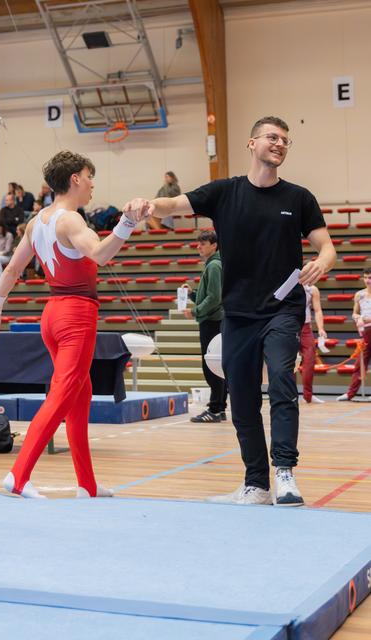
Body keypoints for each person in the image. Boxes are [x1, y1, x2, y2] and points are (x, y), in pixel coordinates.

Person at [123, 116, 336, 506]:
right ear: (251, 143)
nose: (280, 144)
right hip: (237, 314)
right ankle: (255, 482)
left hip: (282, 309)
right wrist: (148, 204)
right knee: (241, 398)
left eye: (286, 140)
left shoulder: (299, 198)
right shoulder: (224, 192)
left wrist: (324, 259)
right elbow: (175, 203)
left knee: (283, 385)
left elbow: (328, 246)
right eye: (272, 137)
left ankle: (285, 472)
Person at [0, 150, 148, 499]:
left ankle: (86, 484)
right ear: (75, 178)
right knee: (61, 396)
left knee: (79, 394)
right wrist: (127, 223)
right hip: (76, 315)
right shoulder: (71, 220)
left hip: (52, 314)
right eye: (89, 177)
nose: (92, 185)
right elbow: (101, 255)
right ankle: (18, 474)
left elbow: (13, 270)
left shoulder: (36, 221)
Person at [183, 229, 228, 422]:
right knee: (215, 365)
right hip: (214, 320)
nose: (198, 247)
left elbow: (214, 298)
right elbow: (210, 294)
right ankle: (219, 408)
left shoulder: (214, 266)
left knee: (212, 366)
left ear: (214, 245)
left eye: (202, 243)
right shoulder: (213, 264)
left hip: (213, 321)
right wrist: (193, 294)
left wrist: (195, 311)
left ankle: (216, 409)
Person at [337, 267, 371, 401]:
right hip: (366, 332)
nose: (368, 281)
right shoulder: (359, 295)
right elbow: (354, 313)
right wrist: (357, 318)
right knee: (360, 363)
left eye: (370, 278)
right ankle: (350, 393)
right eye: (366, 277)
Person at [299, 285, 327, 403]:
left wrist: (321, 328)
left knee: (310, 360)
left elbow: (318, 310)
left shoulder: (312, 289)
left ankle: (308, 395)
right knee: (288, 362)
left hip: (306, 328)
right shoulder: (287, 285)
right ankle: (288, 395)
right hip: (288, 327)